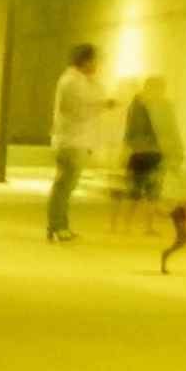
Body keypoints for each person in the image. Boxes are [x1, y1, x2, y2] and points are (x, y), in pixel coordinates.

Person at [47, 43, 115, 243]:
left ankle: (61, 225)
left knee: (66, 187)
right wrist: (102, 105)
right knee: (64, 186)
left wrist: (99, 102)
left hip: (77, 141)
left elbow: (92, 100)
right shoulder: (71, 82)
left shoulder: (82, 81)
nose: (97, 65)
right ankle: (57, 226)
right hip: (71, 141)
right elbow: (76, 111)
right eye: (95, 60)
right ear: (85, 61)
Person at [118, 75, 180, 233]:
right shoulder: (138, 105)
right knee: (135, 191)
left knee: (152, 192)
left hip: (154, 152)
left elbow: (172, 129)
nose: (159, 92)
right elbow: (130, 129)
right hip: (142, 152)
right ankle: (130, 225)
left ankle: (145, 226)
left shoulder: (163, 106)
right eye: (157, 88)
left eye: (160, 89)